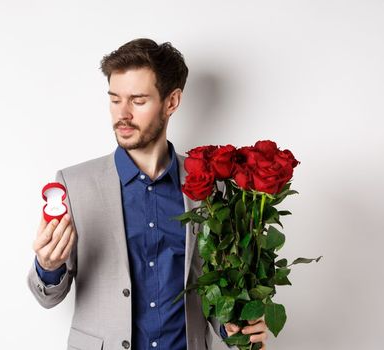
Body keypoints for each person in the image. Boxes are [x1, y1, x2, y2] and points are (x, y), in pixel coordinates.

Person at [27, 38, 270, 350]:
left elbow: (215, 292)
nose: (123, 114)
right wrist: (48, 265)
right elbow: (47, 296)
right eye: (115, 100)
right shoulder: (74, 185)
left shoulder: (210, 186)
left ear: (171, 102)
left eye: (138, 101)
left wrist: (236, 328)